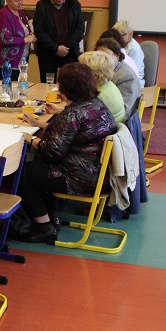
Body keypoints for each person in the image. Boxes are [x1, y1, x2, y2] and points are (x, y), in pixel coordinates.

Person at [18, 63, 117, 243]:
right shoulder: (95, 104)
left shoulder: (73, 113)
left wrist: (29, 138)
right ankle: (52, 217)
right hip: (98, 172)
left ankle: (45, 226)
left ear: (65, 89)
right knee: (39, 166)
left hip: (81, 178)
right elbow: (71, 134)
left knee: (25, 174)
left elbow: (52, 151)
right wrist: (38, 124)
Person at [33, 0, 85, 82]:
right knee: (47, 84)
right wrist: (56, 48)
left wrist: (65, 47)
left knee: (70, 82)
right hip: (48, 53)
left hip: (69, 52)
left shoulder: (74, 4)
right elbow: (39, 30)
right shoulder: (41, 6)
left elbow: (80, 28)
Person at [0, 0, 36, 80]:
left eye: (22, 0)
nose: (20, 3)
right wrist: (25, 40)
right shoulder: (3, 15)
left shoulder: (20, 13)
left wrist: (31, 37)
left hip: (21, 61)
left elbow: (26, 31)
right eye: (17, 1)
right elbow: (5, 38)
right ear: (8, 0)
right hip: (8, 63)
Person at [95, 37, 142, 121]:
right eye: (98, 54)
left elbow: (124, 109)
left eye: (106, 55)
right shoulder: (101, 71)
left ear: (117, 56)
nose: (101, 58)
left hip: (119, 121)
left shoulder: (127, 76)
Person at [78, 51, 127, 125]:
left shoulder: (98, 96)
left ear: (95, 75)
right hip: (113, 127)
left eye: (81, 70)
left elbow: (80, 120)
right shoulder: (109, 85)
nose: (78, 71)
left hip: (108, 131)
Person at [112, 20, 145, 87]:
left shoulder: (134, 49)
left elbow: (132, 73)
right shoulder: (121, 45)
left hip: (133, 83)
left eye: (120, 36)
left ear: (130, 34)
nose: (117, 38)